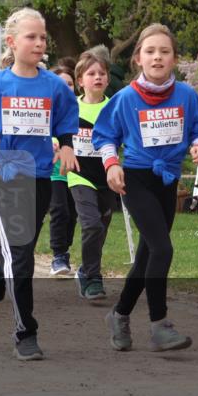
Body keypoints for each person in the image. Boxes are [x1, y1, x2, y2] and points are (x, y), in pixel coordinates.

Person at [94, 23, 198, 352]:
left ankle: (119, 315)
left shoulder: (187, 96)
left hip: (168, 180)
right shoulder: (124, 99)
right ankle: (160, 325)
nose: (157, 57)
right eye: (150, 51)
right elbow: (105, 135)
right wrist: (111, 164)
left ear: (175, 59)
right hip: (135, 178)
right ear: (138, 59)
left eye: (164, 51)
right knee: (163, 250)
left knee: (149, 254)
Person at [0, 7, 79, 360]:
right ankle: (25, 332)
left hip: (42, 175)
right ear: (12, 42)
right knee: (21, 256)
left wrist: (68, 146)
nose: (39, 43)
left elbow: (65, 120)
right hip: (8, 174)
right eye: (31, 36)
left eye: (43, 37)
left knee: (20, 253)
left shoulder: (54, 86)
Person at [68, 46, 118, 300]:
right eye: (91, 73)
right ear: (80, 81)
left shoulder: (116, 107)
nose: (97, 77)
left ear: (107, 79)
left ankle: (85, 271)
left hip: (108, 176)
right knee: (91, 224)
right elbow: (58, 133)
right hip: (79, 175)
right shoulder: (70, 108)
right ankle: (93, 277)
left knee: (101, 228)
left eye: (102, 73)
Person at [48, 59, 79, 276]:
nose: (66, 87)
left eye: (69, 83)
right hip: (54, 171)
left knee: (73, 213)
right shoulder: (45, 107)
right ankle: (58, 255)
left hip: (78, 171)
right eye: (61, 83)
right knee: (59, 210)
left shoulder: (80, 107)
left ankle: (64, 249)